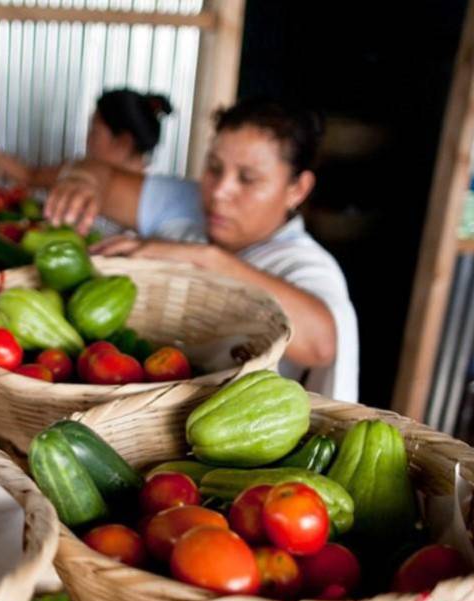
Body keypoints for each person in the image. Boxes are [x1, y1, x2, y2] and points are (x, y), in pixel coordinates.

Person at [44, 98, 359, 402]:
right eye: (213, 167)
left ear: (298, 189)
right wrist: (83, 178)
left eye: (247, 178)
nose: (220, 191)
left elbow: (321, 343)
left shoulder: (305, 265)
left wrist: (203, 257)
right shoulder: (186, 201)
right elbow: (103, 175)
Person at [0, 89, 174, 188]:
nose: (87, 139)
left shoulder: (147, 196)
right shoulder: (84, 170)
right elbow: (30, 176)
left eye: (95, 132)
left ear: (123, 142)